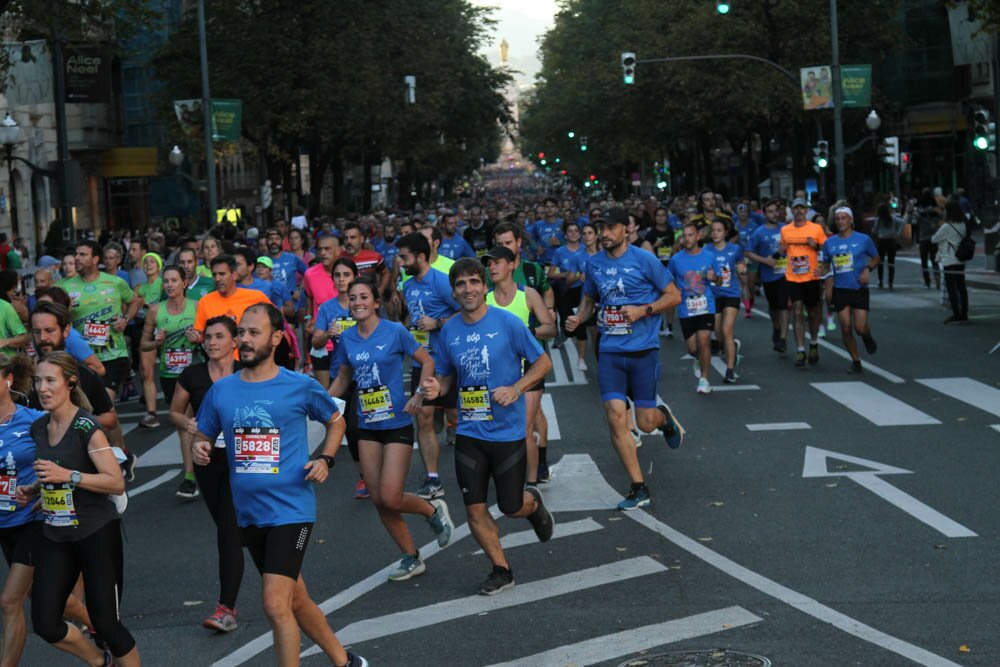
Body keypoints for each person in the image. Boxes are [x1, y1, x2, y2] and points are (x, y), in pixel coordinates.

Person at [192, 304, 366, 667]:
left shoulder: (298, 385)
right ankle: (345, 661)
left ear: (275, 338)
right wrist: (201, 447)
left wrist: (326, 459)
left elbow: (337, 421)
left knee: (274, 603)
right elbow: (204, 434)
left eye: (254, 333)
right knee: (296, 599)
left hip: (291, 508)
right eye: (242, 332)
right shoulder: (222, 391)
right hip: (249, 513)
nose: (245, 339)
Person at [420, 258, 554, 595]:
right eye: (461, 284)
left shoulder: (507, 323)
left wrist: (517, 388)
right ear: (454, 290)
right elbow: (448, 376)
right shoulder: (448, 329)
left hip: (507, 432)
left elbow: (543, 362)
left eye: (474, 282)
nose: (468, 289)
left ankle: (532, 505)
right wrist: (438, 387)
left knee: (511, 506)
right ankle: (501, 569)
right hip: (469, 432)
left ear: (484, 286)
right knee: (474, 508)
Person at [329, 278, 455, 581]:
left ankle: (431, 509)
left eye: (364, 297)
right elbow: (344, 377)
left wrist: (419, 394)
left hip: (397, 421)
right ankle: (411, 557)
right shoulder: (347, 339)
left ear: (375, 303)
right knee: (378, 499)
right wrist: (325, 404)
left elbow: (426, 361)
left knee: (390, 495)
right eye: (353, 297)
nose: (357, 302)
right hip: (367, 424)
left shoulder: (395, 331)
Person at [19, 352, 139, 666]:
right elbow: (55, 471)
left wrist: (68, 476)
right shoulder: (39, 427)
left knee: (108, 624)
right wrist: (34, 490)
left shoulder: (87, 427)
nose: (42, 388)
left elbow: (115, 482)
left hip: (96, 534)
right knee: (45, 622)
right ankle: (101, 662)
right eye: (37, 381)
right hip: (57, 535)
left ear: (70, 383)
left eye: (50, 381)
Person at [565, 208, 684, 511]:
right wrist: (579, 317)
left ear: (626, 230)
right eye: (600, 227)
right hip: (610, 351)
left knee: (644, 423)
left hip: (643, 350)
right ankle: (638, 486)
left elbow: (674, 295)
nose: (603, 233)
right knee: (615, 415)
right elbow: (590, 298)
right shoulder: (593, 264)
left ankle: (663, 419)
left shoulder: (644, 259)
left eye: (609, 228)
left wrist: (644, 310)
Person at [0, 354, 91, 667]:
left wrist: (41, 490)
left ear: (8, 379)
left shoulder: (33, 421)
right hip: (4, 522)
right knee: (36, 596)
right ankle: (98, 624)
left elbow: (61, 459)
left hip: (33, 520)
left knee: (10, 600)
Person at [170, 316, 244, 632]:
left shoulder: (247, 373)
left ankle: (226, 608)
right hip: (207, 460)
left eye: (219, 337)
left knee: (228, 531)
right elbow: (175, 411)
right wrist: (187, 424)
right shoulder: (193, 375)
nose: (212, 342)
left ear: (234, 342)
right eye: (208, 337)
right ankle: (282, 580)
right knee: (232, 530)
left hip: (244, 461)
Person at [397, 233, 460, 500]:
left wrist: (438, 323)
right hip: (424, 362)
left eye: (405, 257)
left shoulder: (441, 282)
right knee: (422, 417)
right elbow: (412, 315)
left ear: (421, 257)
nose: (400, 262)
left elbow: (466, 310)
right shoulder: (409, 286)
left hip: (448, 360)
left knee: (461, 417)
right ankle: (433, 478)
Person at [143, 265, 200, 497]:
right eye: (166, 281)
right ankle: (193, 474)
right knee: (184, 426)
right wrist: (156, 343)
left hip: (195, 373)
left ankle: (190, 476)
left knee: (189, 423)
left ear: (184, 283)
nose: (169, 285)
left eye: (174, 280)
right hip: (170, 375)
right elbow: (143, 345)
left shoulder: (197, 308)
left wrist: (200, 339)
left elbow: (212, 340)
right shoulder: (156, 311)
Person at [312, 258, 367, 498]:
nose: (342, 279)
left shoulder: (364, 304)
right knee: (352, 429)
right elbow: (315, 342)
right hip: (341, 375)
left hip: (367, 374)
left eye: (346, 274)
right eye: (337, 275)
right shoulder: (327, 308)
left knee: (370, 425)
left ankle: (375, 467)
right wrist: (327, 334)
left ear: (354, 276)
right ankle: (364, 476)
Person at [62, 240, 140, 401]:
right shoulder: (64, 287)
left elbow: (135, 301)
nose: (77, 258)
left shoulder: (115, 282)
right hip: (82, 357)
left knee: (104, 402)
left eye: (82, 254)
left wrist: (125, 319)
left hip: (113, 354)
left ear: (95, 259)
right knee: (100, 413)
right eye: (76, 254)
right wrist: (65, 312)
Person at [818, 207, 880, 373]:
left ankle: (866, 336)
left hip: (859, 288)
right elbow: (824, 265)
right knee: (845, 327)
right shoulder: (829, 243)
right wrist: (821, 272)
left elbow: (876, 257)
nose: (840, 221)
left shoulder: (863, 239)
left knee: (860, 328)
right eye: (838, 219)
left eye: (844, 218)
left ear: (851, 220)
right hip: (841, 289)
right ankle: (855, 360)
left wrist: (867, 269)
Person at [780, 198, 827, 367]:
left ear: (807, 210)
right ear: (792, 211)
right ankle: (800, 349)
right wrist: (780, 251)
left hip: (812, 278)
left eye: (802, 208)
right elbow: (782, 249)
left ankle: (813, 344)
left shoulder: (816, 229)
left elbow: (826, 250)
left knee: (813, 313)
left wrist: (816, 246)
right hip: (793, 277)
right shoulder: (785, 230)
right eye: (796, 209)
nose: (799, 211)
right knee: (797, 311)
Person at [670, 223, 717, 393]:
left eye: (690, 235)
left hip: (706, 305)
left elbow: (719, 280)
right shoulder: (676, 260)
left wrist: (714, 278)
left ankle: (704, 380)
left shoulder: (709, 256)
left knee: (704, 341)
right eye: (684, 236)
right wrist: (674, 291)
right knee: (692, 348)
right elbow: (670, 280)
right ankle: (698, 359)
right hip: (686, 308)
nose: (687, 239)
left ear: (698, 236)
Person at [189, 256, 270, 346]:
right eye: (214, 275)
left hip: (249, 357)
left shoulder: (256, 297)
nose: (217, 279)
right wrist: (196, 338)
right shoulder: (205, 301)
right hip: (218, 358)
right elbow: (200, 334)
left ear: (234, 275)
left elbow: (276, 320)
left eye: (222, 274)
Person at [706, 220, 745, 384]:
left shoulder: (734, 249)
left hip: (731, 294)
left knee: (727, 330)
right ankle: (731, 348)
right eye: (713, 230)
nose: (715, 233)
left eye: (719, 230)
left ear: (725, 233)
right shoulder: (706, 251)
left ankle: (729, 370)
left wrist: (742, 270)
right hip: (714, 295)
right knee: (718, 331)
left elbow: (741, 265)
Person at [548, 221, 588, 369]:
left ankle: (581, 357)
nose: (572, 233)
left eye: (575, 231)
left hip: (581, 291)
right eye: (569, 231)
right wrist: (570, 274)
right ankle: (564, 334)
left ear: (580, 234)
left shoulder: (586, 250)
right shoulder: (560, 252)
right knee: (566, 322)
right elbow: (551, 274)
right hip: (564, 290)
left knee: (580, 322)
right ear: (565, 235)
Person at [136, 252, 164, 428]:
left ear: (159, 266)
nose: (149, 264)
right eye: (146, 262)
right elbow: (130, 306)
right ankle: (151, 413)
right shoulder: (139, 288)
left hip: (166, 327)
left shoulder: (164, 283)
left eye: (153, 261)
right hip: (146, 328)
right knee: (146, 371)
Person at [932, 197, 970, 324]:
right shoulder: (963, 224)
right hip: (960, 260)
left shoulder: (946, 226)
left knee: (951, 289)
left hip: (949, 260)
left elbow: (934, 239)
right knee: (961, 287)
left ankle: (956, 314)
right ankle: (964, 313)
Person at [911, 188, 943, 290]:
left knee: (924, 261)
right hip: (934, 238)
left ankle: (927, 281)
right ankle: (937, 276)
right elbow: (941, 216)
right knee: (935, 260)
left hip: (923, 238)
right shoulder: (936, 213)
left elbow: (913, 221)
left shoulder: (920, 214)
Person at [872, 203, 905, 289]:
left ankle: (880, 281)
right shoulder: (892, 218)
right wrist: (897, 234)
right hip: (891, 240)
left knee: (880, 262)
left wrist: (874, 230)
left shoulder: (878, 220)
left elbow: (875, 230)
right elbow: (902, 222)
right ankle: (890, 282)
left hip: (882, 241)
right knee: (891, 262)